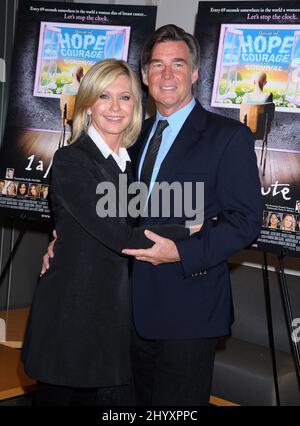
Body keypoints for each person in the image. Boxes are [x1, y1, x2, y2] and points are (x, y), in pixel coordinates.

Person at [42, 25, 262, 406]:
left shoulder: (228, 137)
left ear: (195, 73)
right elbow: (111, 210)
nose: (166, 74)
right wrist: (64, 237)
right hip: (123, 312)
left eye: (178, 64)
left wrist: (180, 252)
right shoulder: (131, 134)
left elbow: (245, 221)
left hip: (188, 312)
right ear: (144, 76)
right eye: (156, 65)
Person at [22, 59, 194, 407]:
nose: (115, 107)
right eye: (104, 96)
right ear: (87, 105)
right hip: (71, 317)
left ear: (136, 106)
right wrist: (193, 227)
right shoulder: (73, 161)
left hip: (113, 319)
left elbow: (140, 222)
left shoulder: (131, 166)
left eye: (126, 97)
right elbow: (121, 237)